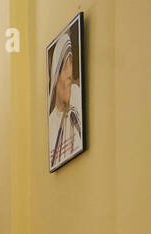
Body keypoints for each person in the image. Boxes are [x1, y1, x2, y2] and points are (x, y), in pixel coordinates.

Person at [48, 32, 84, 168]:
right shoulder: (52, 121)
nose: (70, 74)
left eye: (71, 65)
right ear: (55, 76)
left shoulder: (76, 103)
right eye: (64, 68)